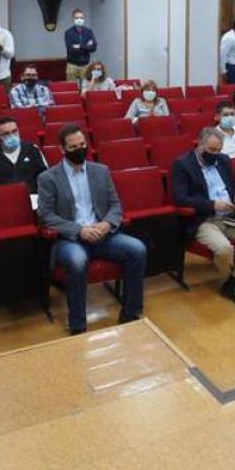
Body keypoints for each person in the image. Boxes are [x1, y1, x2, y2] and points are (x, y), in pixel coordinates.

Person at [35, 125, 145, 335]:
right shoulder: (48, 178)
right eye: (73, 147)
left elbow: (115, 205)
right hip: (71, 239)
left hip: (103, 234)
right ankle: (77, 323)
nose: (79, 149)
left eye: (82, 145)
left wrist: (106, 224)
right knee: (77, 261)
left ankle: (131, 312)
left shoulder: (100, 171)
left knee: (137, 249)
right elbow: (46, 215)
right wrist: (79, 230)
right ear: (62, 149)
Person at [170, 127, 235, 308]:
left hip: (229, 216)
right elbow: (180, 197)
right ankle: (231, 283)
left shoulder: (223, 160)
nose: (215, 154)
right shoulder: (182, 164)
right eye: (211, 150)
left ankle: (233, 283)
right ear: (199, 144)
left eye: (218, 150)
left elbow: (234, 184)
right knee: (223, 249)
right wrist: (213, 204)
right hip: (204, 219)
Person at [0, 117, 47, 193]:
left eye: (14, 131)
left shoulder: (33, 149)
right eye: (6, 134)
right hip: (3, 199)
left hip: (32, 198)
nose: (12, 136)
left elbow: (45, 177)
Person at [63, 9, 97, 84]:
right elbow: (70, 49)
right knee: (72, 89)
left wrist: (79, 46)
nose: (79, 20)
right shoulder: (68, 32)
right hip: (72, 66)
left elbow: (94, 47)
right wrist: (86, 46)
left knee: (86, 89)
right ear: (73, 19)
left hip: (86, 65)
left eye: (81, 18)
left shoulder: (88, 32)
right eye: (77, 18)